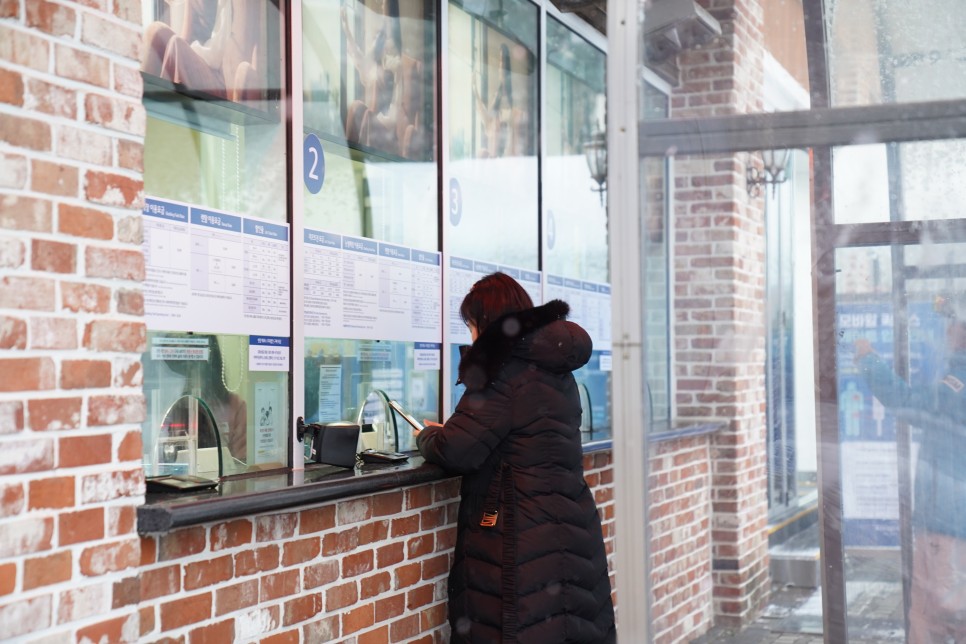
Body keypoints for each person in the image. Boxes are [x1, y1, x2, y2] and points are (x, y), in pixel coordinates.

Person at [415, 272, 615, 643]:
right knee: (564, 626)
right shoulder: (556, 371)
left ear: (487, 324)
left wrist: (427, 435)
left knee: (523, 628)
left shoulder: (503, 373)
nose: (471, 336)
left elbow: (457, 450)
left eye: (472, 326)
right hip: (569, 527)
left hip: (518, 535)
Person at [854, 293, 966, 644]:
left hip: (946, 524)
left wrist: (868, 359)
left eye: (953, 322)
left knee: (935, 613)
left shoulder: (957, 384)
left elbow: (907, 404)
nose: (947, 330)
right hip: (948, 521)